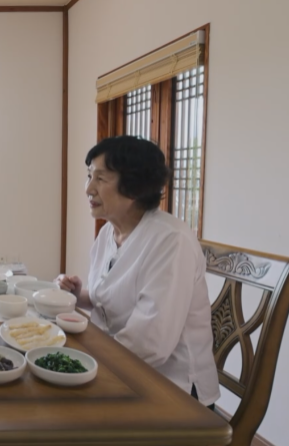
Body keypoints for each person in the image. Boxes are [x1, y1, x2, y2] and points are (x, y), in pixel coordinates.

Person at [56, 135, 219, 409]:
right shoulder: (109, 232)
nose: (88, 188)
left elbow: (150, 344)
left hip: (170, 391)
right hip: (117, 369)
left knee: (52, 403)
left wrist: (76, 358)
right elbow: (110, 299)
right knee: (31, 379)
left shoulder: (170, 240)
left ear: (134, 187)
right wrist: (79, 295)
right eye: (89, 176)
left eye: (101, 178)